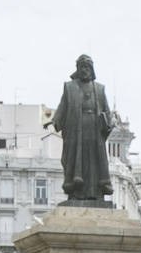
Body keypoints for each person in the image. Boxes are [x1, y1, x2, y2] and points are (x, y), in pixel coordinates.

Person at [48, 54, 114, 201]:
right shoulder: (70, 87)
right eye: (82, 67)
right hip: (75, 129)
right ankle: (77, 192)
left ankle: (96, 192)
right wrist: (55, 121)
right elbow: (62, 107)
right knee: (77, 159)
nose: (85, 70)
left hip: (95, 130)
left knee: (94, 161)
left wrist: (109, 121)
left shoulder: (100, 89)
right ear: (78, 69)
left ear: (92, 69)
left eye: (87, 67)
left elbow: (107, 112)